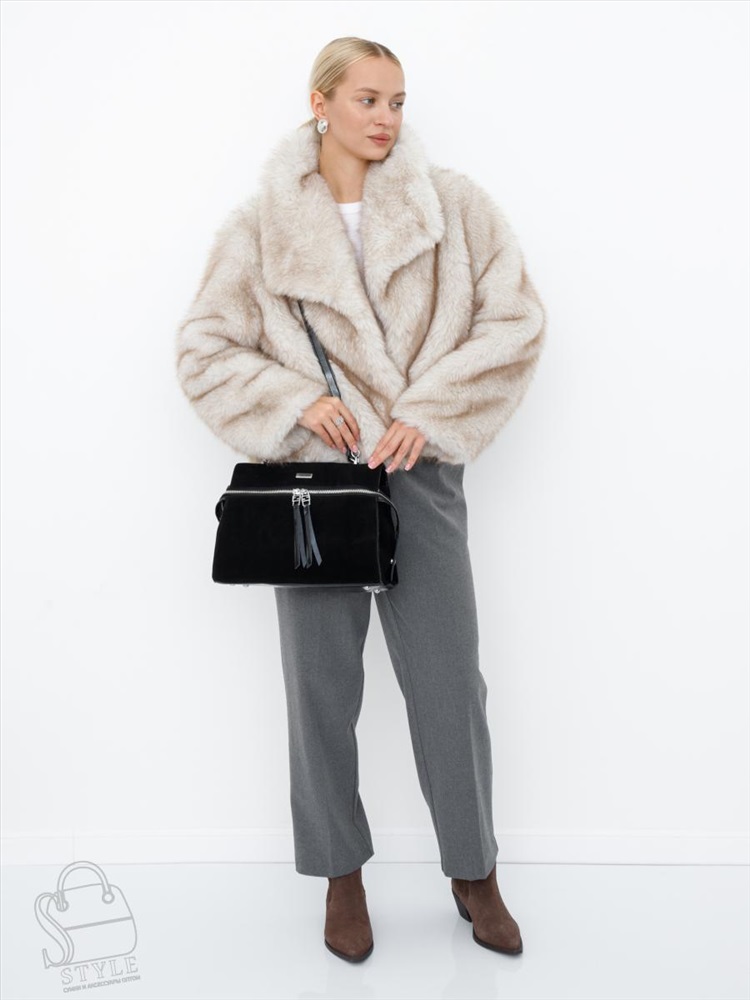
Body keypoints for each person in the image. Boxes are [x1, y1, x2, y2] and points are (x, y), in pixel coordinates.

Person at [175, 36, 547, 963]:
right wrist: (292, 400)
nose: (386, 118)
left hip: (419, 477)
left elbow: (515, 321)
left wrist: (428, 411)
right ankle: (341, 874)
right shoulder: (262, 227)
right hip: (316, 490)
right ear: (322, 103)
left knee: (450, 683)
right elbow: (205, 350)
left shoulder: (453, 208)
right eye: (368, 99)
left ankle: (474, 869)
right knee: (320, 690)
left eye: (397, 101)